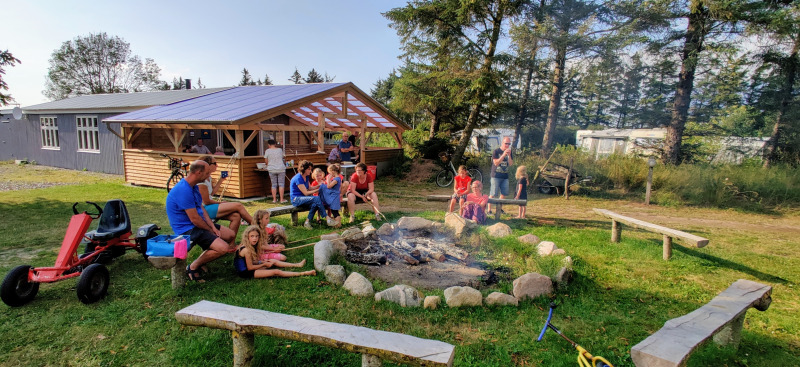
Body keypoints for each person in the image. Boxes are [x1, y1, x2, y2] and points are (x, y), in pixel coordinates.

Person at [165, 160, 236, 282]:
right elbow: (195, 219)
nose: (209, 176)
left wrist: (213, 228)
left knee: (230, 235)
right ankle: (193, 267)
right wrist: (210, 230)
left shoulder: (194, 187)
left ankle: (204, 259)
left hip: (197, 225)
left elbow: (201, 209)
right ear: (198, 172)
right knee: (223, 248)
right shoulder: (183, 190)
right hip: (188, 229)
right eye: (207, 173)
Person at [198, 156, 255, 235]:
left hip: (210, 206)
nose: (217, 165)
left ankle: (231, 244)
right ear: (207, 165)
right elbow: (206, 201)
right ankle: (257, 226)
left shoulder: (209, 178)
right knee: (238, 205)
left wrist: (221, 180)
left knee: (236, 216)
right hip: (204, 209)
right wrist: (221, 203)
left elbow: (211, 193)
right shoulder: (201, 181)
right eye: (215, 163)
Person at [233, 225, 316, 279]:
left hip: (249, 268)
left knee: (273, 261)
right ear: (247, 237)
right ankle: (304, 273)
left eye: (256, 236)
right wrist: (264, 264)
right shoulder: (246, 249)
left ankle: (297, 265)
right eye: (252, 236)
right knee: (276, 272)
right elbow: (250, 267)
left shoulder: (251, 245)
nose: (255, 238)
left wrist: (261, 261)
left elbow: (250, 261)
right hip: (246, 273)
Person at [289, 160, 327, 229]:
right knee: (317, 198)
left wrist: (319, 185)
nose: (310, 171)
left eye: (311, 169)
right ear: (304, 169)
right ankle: (326, 217)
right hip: (296, 199)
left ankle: (307, 222)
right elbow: (306, 192)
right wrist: (318, 190)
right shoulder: (298, 178)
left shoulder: (306, 176)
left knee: (315, 204)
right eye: (309, 169)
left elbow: (309, 188)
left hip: (303, 198)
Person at [489, 136, 514, 214]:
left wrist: (509, 155)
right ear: (502, 143)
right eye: (506, 143)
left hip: (505, 176)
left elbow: (510, 164)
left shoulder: (510, 152)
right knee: (493, 193)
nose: (507, 145)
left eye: (509, 144)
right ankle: (489, 210)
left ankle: (499, 209)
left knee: (504, 193)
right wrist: (503, 155)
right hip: (496, 175)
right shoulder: (496, 151)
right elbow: (496, 163)